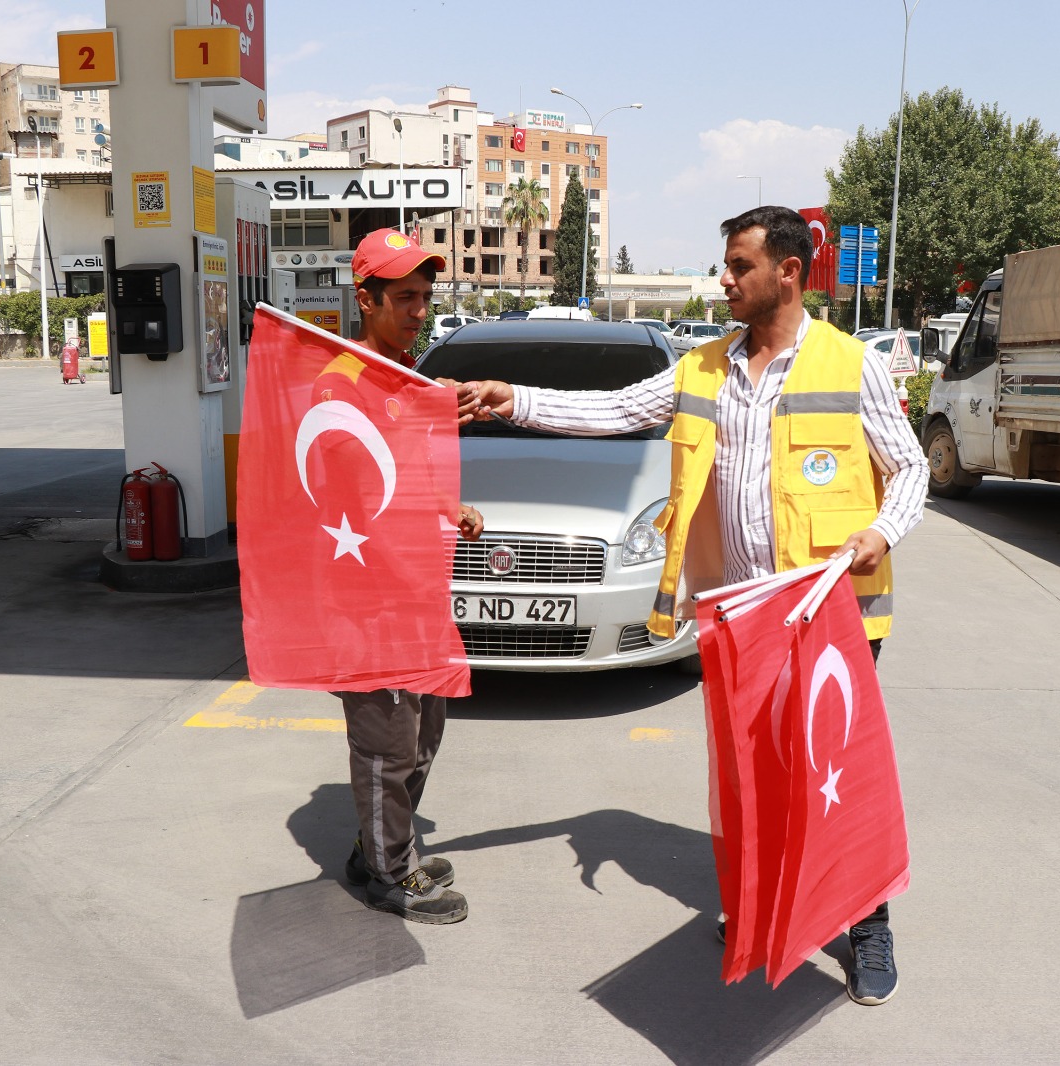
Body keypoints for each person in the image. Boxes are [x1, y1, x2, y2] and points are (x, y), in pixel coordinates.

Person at [466, 206, 930, 1003]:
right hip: (739, 618)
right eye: (726, 264)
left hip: (829, 619)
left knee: (838, 780)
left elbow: (912, 470)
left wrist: (881, 533)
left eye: (739, 265)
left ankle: (868, 926)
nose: (724, 279)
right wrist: (514, 399)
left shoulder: (853, 366)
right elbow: (612, 410)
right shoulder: (703, 368)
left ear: (789, 272)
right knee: (756, 777)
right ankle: (761, 906)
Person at [332, 228, 484, 924]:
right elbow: (347, 500)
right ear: (365, 298)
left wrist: (454, 510)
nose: (419, 311)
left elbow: (411, 478)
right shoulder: (340, 386)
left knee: (424, 732)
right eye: (404, 298)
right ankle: (389, 873)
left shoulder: (406, 377)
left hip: (419, 591)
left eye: (425, 297)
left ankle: (382, 845)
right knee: (387, 743)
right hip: (368, 600)